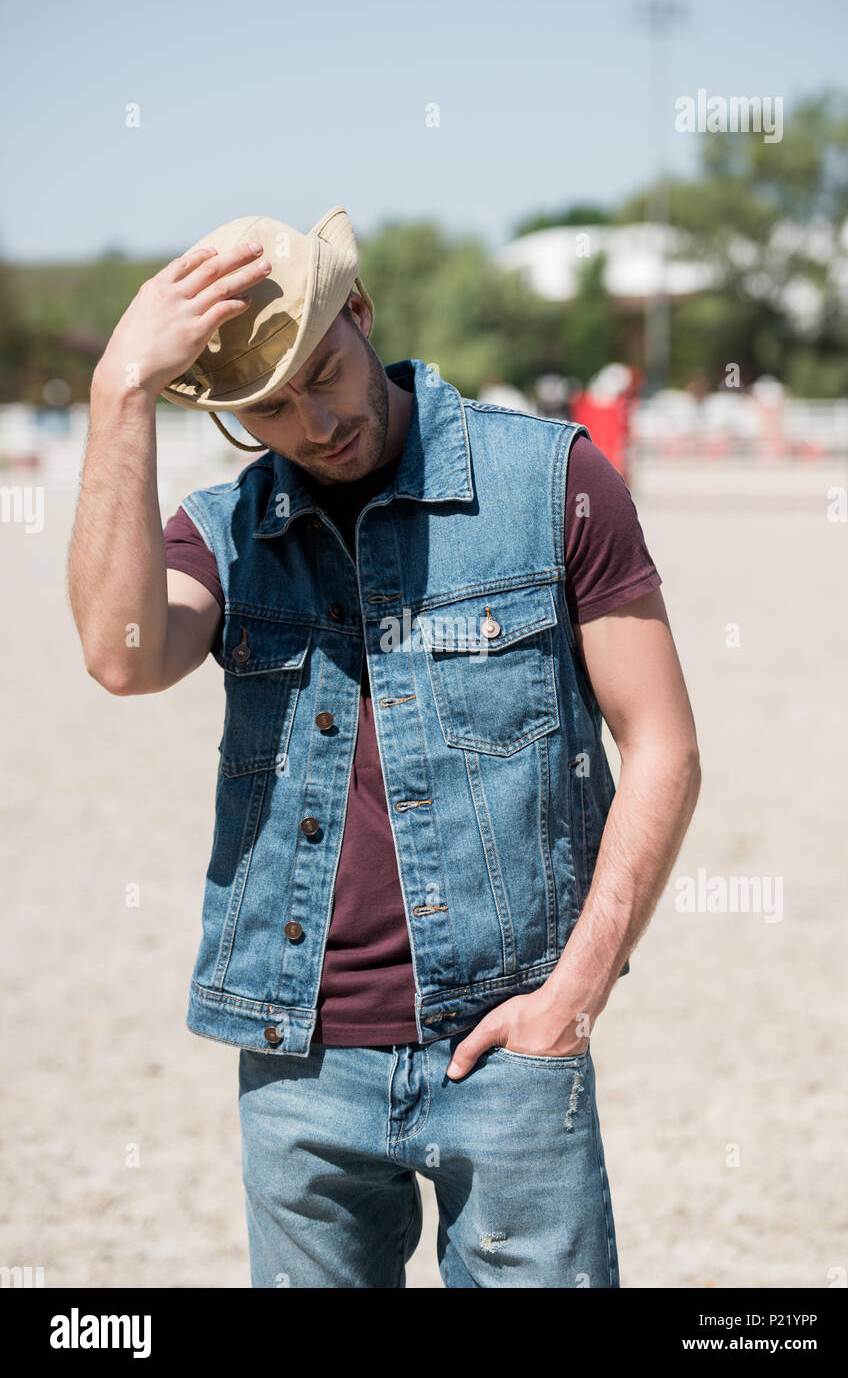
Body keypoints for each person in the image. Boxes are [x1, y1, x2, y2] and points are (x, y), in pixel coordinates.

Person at [68, 206, 701, 1289]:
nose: (316, 420)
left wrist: (576, 993)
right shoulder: (225, 529)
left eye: (325, 371)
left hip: (510, 1046)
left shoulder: (551, 484)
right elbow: (121, 655)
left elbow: (665, 747)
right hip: (298, 1057)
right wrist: (118, 387)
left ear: (360, 313)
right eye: (271, 405)